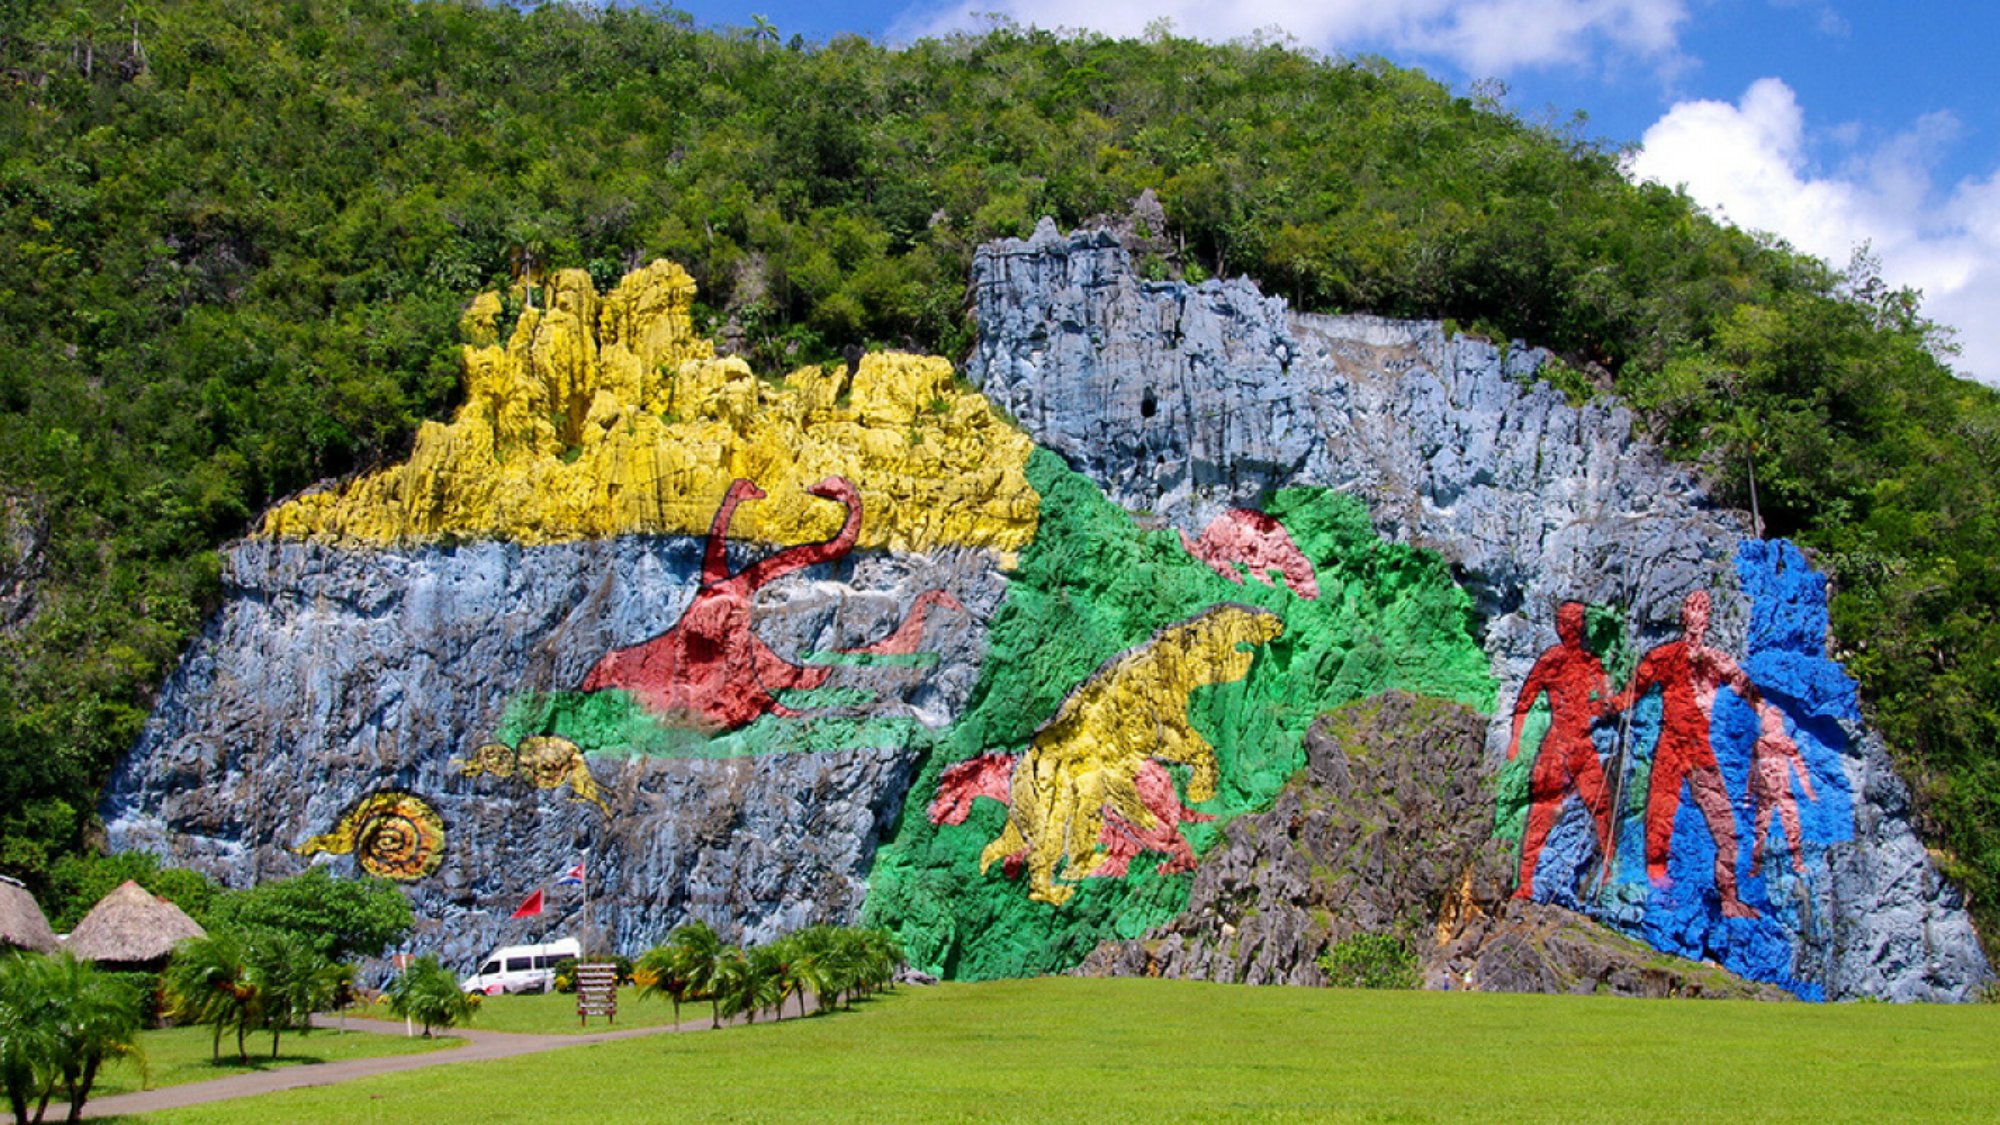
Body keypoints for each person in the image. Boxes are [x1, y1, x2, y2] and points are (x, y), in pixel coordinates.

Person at [1617, 590, 1759, 918]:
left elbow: (1749, 691)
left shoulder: (1716, 661)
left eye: (1703, 610)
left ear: (1708, 620)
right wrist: (1598, 706)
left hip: (1700, 750)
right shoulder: (1664, 657)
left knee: (1725, 827)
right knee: (1659, 816)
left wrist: (1765, 721)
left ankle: (1729, 898)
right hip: (1670, 744)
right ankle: (1655, 886)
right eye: (1691, 609)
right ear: (1683, 616)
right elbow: (1629, 696)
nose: (1696, 616)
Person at [1506, 601, 1616, 899]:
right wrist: (1515, 740)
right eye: (1567, 622)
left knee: (1602, 804)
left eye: (1576, 621)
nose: (1571, 627)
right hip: (1557, 742)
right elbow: (1525, 699)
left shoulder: (1590, 662)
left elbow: (1606, 698)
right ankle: (1526, 882)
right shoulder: (1552, 660)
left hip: (1582, 742)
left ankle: (1608, 871)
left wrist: (1604, 702)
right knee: (1543, 807)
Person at [1748, 702, 1818, 877]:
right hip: (1765, 792)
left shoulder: (1785, 742)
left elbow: (1799, 767)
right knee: (1761, 829)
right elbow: (1752, 771)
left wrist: (1809, 792)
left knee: (1792, 826)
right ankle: (1756, 866)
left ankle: (1797, 862)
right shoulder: (1760, 744)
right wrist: (1748, 795)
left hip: (1782, 790)